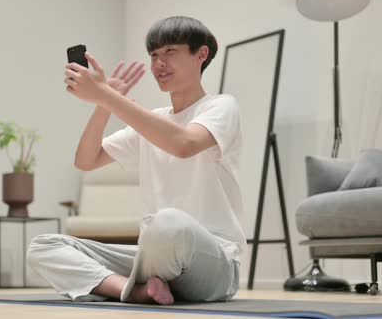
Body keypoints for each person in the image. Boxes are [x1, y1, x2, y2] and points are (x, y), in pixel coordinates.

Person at [28, 16, 246, 305]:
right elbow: (86, 160)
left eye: (170, 52)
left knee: (167, 222)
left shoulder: (221, 106)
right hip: (153, 256)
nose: (159, 63)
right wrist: (104, 104)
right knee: (44, 246)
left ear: (201, 55)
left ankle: (136, 284)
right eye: (154, 55)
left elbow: (184, 143)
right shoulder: (152, 120)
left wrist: (107, 96)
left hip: (212, 263)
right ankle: (135, 291)